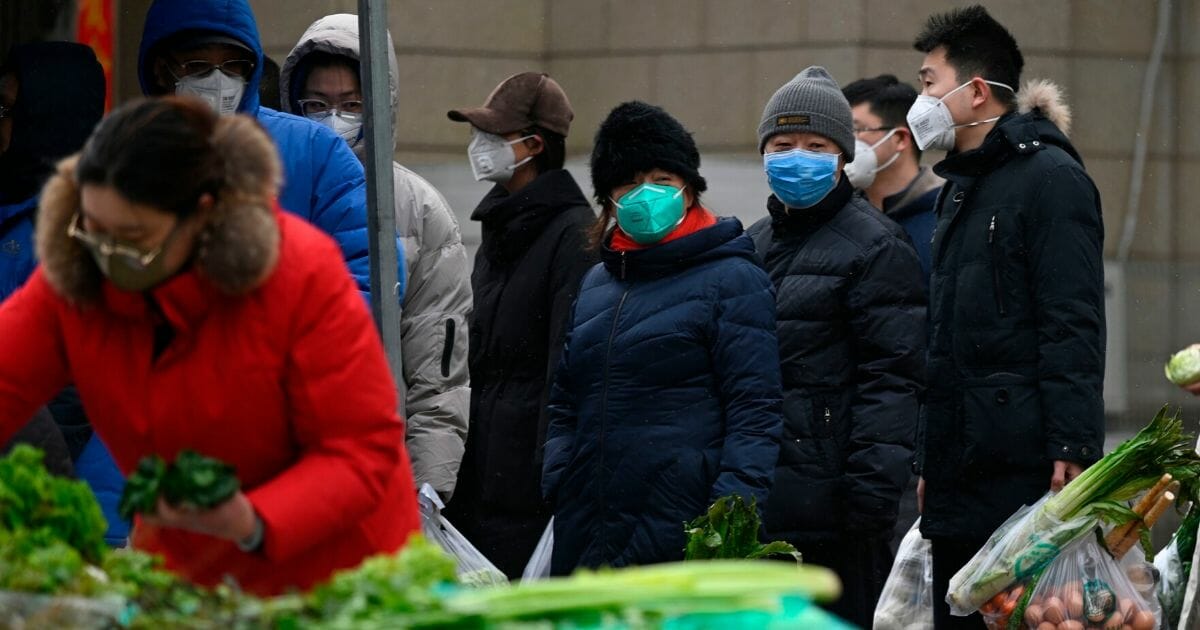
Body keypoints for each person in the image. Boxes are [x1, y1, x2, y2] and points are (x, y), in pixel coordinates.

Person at [0, 97, 420, 595]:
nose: (109, 257)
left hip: (340, 576)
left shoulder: (301, 275)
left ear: (201, 216)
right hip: (190, 573)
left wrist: (250, 518)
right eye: (94, 230)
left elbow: (360, 451)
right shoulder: (80, 274)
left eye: (134, 239)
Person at [908, 6, 1105, 629]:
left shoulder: (1050, 178)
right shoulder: (958, 189)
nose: (922, 99)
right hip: (959, 459)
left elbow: (1071, 318)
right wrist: (927, 459)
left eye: (930, 81)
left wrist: (1072, 442)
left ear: (974, 91)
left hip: (1019, 461)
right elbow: (944, 339)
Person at [541, 101, 783, 575]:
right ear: (609, 198)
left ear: (689, 188)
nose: (645, 193)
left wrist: (728, 517)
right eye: (629, 182)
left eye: (662, 180)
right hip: (588, 525)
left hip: (685, 526)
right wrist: (560, 474)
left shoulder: (732, 277)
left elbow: (755, 410)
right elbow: (566, 399)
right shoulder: (597, 283)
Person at [750, 66, 927, 628]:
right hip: (758, 501)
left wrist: (868, 505)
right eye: (782, 144)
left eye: (815, 145)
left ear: (842, 157)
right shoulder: (749, 244)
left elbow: (893, 381)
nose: (796, 156)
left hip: (835, 516)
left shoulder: (876, 247)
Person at [280, 14, 472, 499]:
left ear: (379, 106)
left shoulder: (418, 210)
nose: (333, 118)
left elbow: (438, 378)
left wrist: (425, 492)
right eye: (317, 104)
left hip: (370, 473)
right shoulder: (266, 188)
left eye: (351, 105)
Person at [137, 0, 400, 298]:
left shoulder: (316, 150)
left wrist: (296, 339)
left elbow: (370, 270)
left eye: (233, 66)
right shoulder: (127, 155)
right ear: (160, 69)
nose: (218, 81)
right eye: (198, 67)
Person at [443, 72, 597, 578]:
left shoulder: (571, 234)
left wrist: (550, 479)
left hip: (525, 488)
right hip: (482, 470)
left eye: (492, 134)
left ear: (533, 145)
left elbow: (565, 365)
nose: (478, 146)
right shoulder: (501, 226)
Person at [0, 41, 119, 526]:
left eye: (8, 109)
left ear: (44, 116)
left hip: (73, 501)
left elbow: (76, 394)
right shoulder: (13, 204)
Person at [842, 74, 942, 285]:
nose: (845, 142)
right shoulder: (842, 217)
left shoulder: (944, 215)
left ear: (899, 139)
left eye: (857, 129)